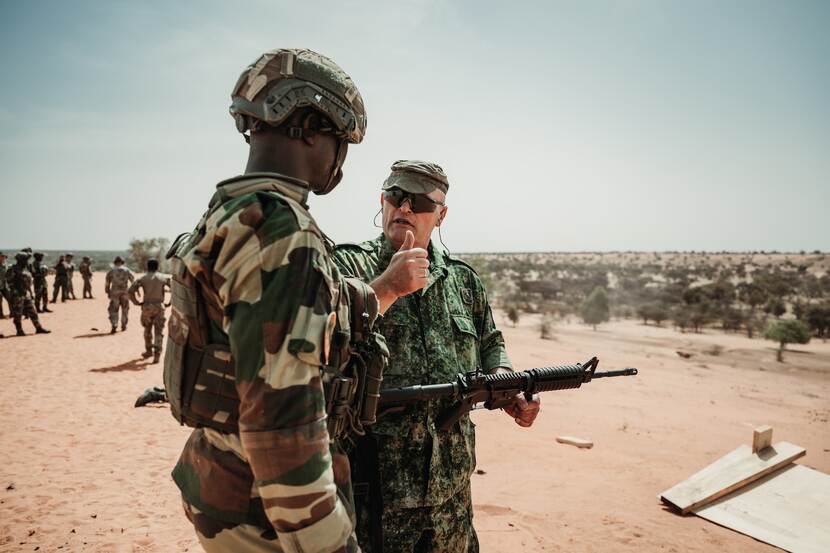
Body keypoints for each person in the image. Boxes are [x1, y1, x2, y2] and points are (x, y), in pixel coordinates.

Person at [167, 48, 426, 553]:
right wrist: (328, 544)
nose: (339, 160)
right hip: (266, 512)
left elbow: (301, 315)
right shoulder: (282, 232)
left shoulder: (236, 212)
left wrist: (386, 288)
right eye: (339, 140)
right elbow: (281, 427)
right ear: (309, 127)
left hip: (222, 484)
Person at [332, 160, 541, 553]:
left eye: (419, 202)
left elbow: (490, 342)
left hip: (451, 493)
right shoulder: (348, 266)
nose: (404, 208)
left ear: (441, 215)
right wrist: (387, 287)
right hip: (374, 491)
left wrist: (505, 382)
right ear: (382, 201)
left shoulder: (463, 281)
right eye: (396, 196)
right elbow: (324, 337)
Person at [128, 259, 171, 363]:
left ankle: (148, 351)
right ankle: (157, 354)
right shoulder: (163, 278)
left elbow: (130, 291)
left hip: (147, 306)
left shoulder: (143, 278)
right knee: (159, 331)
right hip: (159, 306)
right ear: (157, 266)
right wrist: (170, 302)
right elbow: (174, 289)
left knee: (147, 329)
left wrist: (136, 302)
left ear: (147, 267)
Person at [5, 252, 50, 336]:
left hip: (26, 293)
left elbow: (28, 282)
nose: (27, 261)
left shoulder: (25, 269)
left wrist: (30, 293)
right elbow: (8, 281)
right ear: (20, 260)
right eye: (25, 260)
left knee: (33, 311)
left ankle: (38, 328)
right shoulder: (13, 269)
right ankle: (19, 330)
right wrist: (16, 291)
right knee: (18, 314)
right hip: (17, 295)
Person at [105, 256, 134, 333]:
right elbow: (133, 281)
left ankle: (114, 324)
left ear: (115, 262)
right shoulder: (127, 270)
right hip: (125, 292)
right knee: (125, 309)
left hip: (115, 292)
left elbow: (107, 282)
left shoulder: (111, 271)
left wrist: (107, 291)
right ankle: (124, 325)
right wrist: (133, 291)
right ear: (122, 262)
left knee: (114, 309)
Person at [0, 251, 10, 319]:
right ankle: (1, 315)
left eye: (4, 257)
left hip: (5, 285)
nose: (3, 258)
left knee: (10, 298)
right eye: (2, 256)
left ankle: (12, 313)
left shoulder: (5, 264)